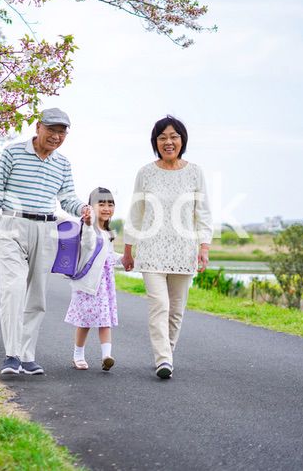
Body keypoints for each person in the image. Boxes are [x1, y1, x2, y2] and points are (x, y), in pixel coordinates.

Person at [0, 108, 91, 376]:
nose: (56, 136)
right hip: (12, 226)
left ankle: (28, 356)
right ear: (38, 127)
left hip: (46, 228)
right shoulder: (13, 153)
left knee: (37, 295)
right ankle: (11, 355)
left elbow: (67, 198)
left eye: (62, 131)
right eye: (51, 129)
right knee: (13, 289)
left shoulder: (62, 164)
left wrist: (83, 209)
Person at [122, 115, 213, 379]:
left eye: (173, 137)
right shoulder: (145, 173)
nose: (168, 142)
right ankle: (163, 358)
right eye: (162, 138)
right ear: (155, 142)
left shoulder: (195, 172)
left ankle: (167, 354)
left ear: (182, 140)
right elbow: (136, 213)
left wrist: (204, 247)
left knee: (176, 310)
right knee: (159, 306)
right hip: (151, 250)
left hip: (184, 250)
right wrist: (129, 249)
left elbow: (203, 213)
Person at [64, 187, 122, 371]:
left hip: (104, 285)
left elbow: (108, 257)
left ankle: (106, 356)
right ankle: (78, 355)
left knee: (105, 320)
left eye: (110, 204)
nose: (106, 208)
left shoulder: (109, 233)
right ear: (91, 207)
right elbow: (87, 245)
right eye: (101, 204)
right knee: (85, 321)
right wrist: (88, 224)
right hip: (88, 284)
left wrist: (125, 260)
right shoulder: (87, 228)